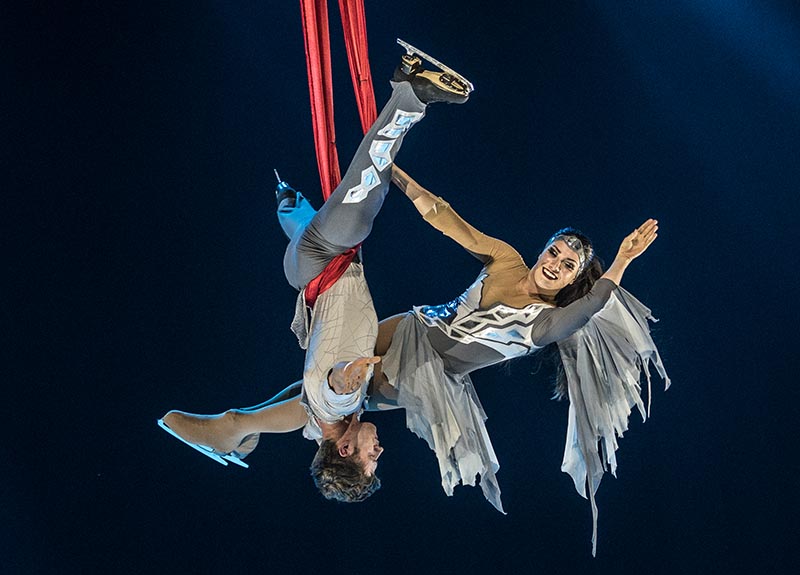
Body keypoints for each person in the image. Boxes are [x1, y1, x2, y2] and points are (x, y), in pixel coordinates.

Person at [158, 164, 667, 535]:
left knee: (334, 395)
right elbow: (446, 218)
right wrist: (389, 171)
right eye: (555, 251)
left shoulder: (547, 321)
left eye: (569, 265)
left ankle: (237, 426)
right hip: (414, 327)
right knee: (323, 383)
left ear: (576, 280)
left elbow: (588, 310)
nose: (556, 262)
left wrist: (620, 261)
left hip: (426, 370)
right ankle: (244, 423)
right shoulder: (508, 261)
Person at [158, 45, 473, 503]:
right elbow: (297, 413)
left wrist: (355, 373)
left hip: (327, 261)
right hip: (312, 267)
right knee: (314, 216)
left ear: (344, 448)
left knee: (368, 187)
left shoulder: (339, 402)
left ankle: (413, 89)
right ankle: (288, 202)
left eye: (370, 456)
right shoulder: (316, 422)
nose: (380, 449)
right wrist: (242, 424)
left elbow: (339, 382)